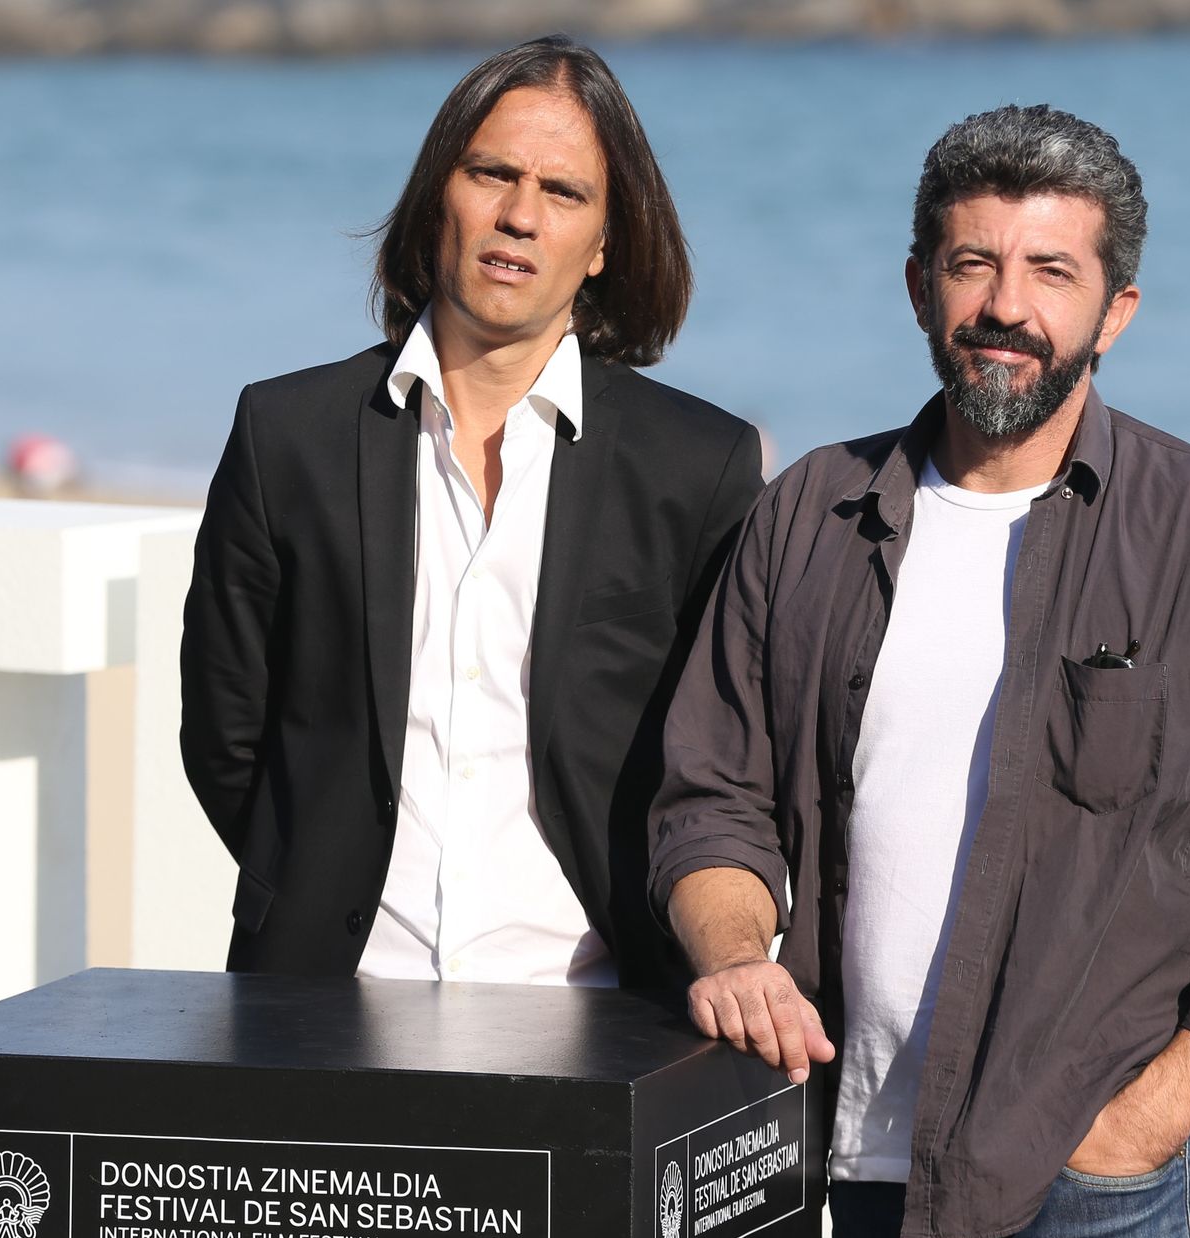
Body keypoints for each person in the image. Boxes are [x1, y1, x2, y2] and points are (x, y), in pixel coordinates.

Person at [649, 105, 1190, 1238]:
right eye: (973, 263)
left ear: (1117, 309)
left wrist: (1150, 1118)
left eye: (1051, 270)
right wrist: (737, 955)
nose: (1005, 305)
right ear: (918, 285)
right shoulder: (807, 516)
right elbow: (708, 797)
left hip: (1103, 1191)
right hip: (844, 1167)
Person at [180, 36, 763, 990]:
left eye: (564, 192)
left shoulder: (697, 466)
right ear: (436, 197)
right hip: (329, 1000)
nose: (521, 216)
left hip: (596, 1005)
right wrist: (310, 883)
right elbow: (224, 729)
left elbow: (727, 757)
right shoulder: (286, 434)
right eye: (492, 172)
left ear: (607, 242)